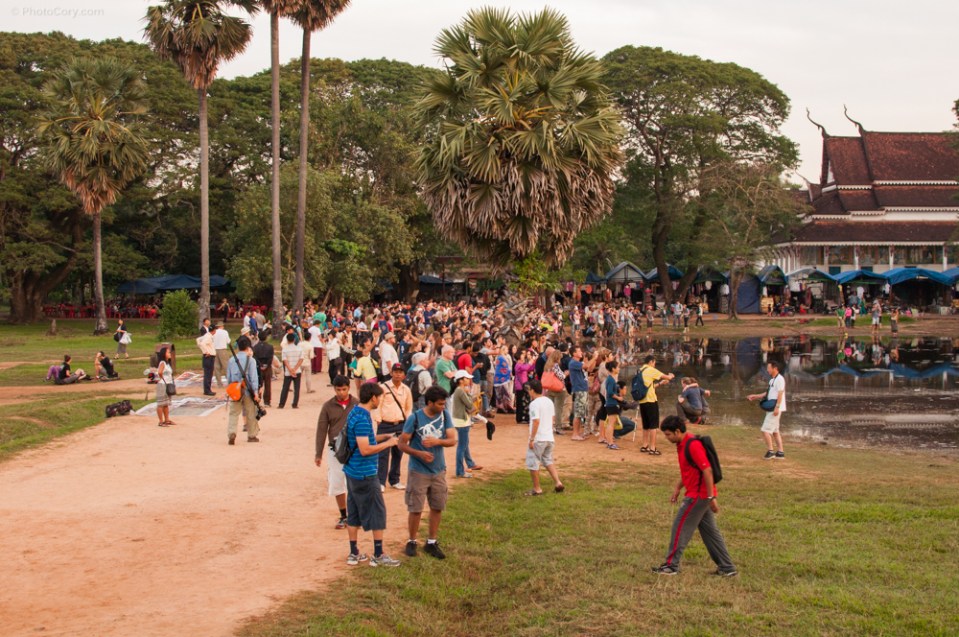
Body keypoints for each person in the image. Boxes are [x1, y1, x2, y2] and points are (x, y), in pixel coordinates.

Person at [652, 416, 737, 577]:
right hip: (699, 495)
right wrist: (678, 488)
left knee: (680, 528)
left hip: (697, 497)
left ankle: (671, 566)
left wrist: (711, 497)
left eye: (668, 434)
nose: (667, 438)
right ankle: (727, 567)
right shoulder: (682, 444)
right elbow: (689, 471)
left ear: (678, 431)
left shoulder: (693, 445)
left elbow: (707, 470)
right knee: (710, 533)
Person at [343, 382, 402, 567]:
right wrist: (389, 444)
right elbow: (365, 449)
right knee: (377, 511)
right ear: (373, 398)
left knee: (353, 512)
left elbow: (363, 440)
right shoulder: (363, 418)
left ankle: (354, 553)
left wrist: (384, 437)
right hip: (364, 472)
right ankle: (378, 554)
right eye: (381, 397)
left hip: (352, 471)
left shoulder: (355, 412)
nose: (381, 400)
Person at [399, 386, 457, 560]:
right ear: (429, 402)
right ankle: (412, 541)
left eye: (444, 403)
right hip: (418, 471)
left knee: (437, 506)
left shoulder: (445, 416)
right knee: (416, 508)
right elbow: (401, 444)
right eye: (440, 404)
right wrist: (419, 454)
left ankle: (431, 541)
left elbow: (452, 440)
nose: (443, 407)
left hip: (439, 470)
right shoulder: (415, 418)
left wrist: (438, 441)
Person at [315, 375, 358, 530]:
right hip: (335, 449)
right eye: (338, 390)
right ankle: (344, 516)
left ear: (349, 388)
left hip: (354, 449)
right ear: (334, 389)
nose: (341, 393)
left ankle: (355, 515)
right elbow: (321, 430)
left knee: (354, 482)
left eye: (344, 389)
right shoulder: (328, 406)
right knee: (337, 482)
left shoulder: (356, 404)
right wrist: (318, 453)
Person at [376, 363, 413, 491]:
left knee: (398, 453)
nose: (398, 374)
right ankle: (381, 482)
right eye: (395, 371)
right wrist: (378, 420)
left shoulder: (406, 390)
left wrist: (408, 422)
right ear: (391, 373)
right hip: (385, 425)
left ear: (404, 375)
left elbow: (408, 407)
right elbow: (378, 405)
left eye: (400, 372)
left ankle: (394, 480)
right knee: (383, 454)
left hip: (400, 424)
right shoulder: (383, 388)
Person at [524, 379, 564, 496]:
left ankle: (537, 489)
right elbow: (552, 418)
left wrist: (532, 439)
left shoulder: (534, 404)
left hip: (538, 438)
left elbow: (536, 421)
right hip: (549, 437)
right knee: (547, 460)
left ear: (532, 390)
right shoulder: (548, 401)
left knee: (533, 463)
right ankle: (558, 482)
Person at [450, 369, 486, 478]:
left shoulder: (459, 390)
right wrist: (472, 397)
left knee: (464, 444)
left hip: (460, 421)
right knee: (462, 446)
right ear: (461, 380)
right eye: (466, 378)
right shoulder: (460, 391)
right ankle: (460, 471)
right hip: (462, 422)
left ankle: (468, 464)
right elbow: (470, 405)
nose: (468, 380)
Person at [226, 335, 261, 444]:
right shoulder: (251, 360)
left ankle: (232, 433)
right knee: (250, 413)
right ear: (248, 346)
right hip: (247, 390)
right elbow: (254, 378)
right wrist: (255, 392)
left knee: (233, 413)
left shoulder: (231, 360)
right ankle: (252, 435)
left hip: (235, 390)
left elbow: (229, 377)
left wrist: (231, 389)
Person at [748, 360, 786, 460]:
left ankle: (770, 451)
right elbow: (768, 393)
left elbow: (780, 393)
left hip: (775, 408)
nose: (767, 370)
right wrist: (755, 396)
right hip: (773, 407)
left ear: (775, 368)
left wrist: (777, 407)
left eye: (769, 368)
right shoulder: (772, 380)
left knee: (765, 430)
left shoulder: (780, 379)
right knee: (775, 431)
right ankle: (780, 452)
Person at [637, 355, 675, 456]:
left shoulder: (640, 370)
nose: (654, 365)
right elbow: (667, 377)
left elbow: (649, 386)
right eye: (654, 363)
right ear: (651, 362)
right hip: (651, 400)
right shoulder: (650, 370)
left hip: (642, 400)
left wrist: (661, 384)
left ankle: (644, 445)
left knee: (646, 424)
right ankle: (652, 447)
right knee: (653, 425)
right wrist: (671, 376)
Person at [278, 332, 303, 409]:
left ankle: (281, 404)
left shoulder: (285, 349)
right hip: (297, 370)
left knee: (285, 388)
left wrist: (290, 369)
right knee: (297, 388)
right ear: (294, 339)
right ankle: (295, 404)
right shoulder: (299, 348)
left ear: (287, 340)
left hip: (288, 372)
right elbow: (301, 359)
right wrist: (295, 369)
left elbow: (285, 361)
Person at [252, 333, 275, 406]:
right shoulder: (270, 347)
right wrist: (266, 365)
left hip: (258, 367)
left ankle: (258, 399)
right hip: (267, 367)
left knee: (258, 384)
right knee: (268, 384)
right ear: (266, 338)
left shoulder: (255, 347)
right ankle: (267, 401)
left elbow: (254, 358)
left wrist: (260, 365)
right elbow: (271, 357)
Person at [155, 346, 175, 427]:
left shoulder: (167, 363)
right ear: (164, 354)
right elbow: (160, 372)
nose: (170, 353)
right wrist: (163, 380)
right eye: (168, 352)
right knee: (161, 404)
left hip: (168, 384)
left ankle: (167, 420)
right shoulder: (162, 363)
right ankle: (160, 421)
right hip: (162, 385)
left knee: (166, 403)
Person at [196, 323, 217, 396]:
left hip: (209, 356)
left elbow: (198, 340)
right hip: (209, 357)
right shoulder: (208, 337)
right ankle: (207, 390)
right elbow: (202, 344)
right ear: (214, 330)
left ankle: (208, 389)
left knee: (208, 373)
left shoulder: (207, 335)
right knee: (208, 373)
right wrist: (205, 351)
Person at [212, 323, 230, 389]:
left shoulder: (214, 332)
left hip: (215, 350)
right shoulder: (225, 332)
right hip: (222, 349)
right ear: (222, 326)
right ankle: (229, 381)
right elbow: (228, 341)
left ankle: (219, 383)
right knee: (226, 366)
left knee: (216, 367)